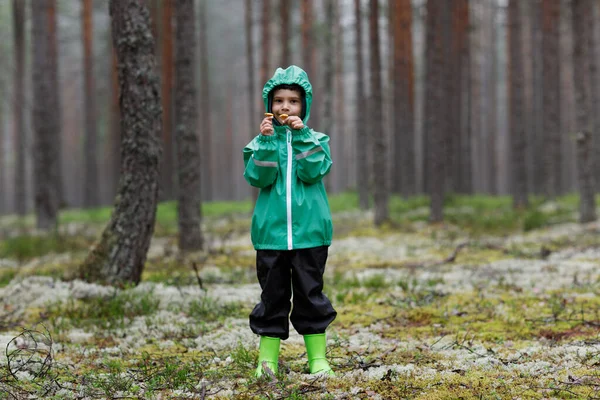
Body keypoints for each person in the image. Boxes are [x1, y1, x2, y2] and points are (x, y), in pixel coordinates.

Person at [243, 65, 337, 378]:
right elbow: (259, 177)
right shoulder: (258, 143)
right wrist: (267, 142)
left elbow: (313, 172)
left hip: (310, 234)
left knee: (311, 296)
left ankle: (318, 360)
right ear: (269, 105)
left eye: (293, 101)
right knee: (272, 298)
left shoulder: (316, 139)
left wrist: (302, 137)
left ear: (304, 106)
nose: (285, 106)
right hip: (271, 235)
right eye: (279, 100)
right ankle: (267, 362)